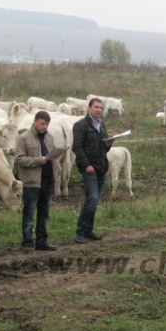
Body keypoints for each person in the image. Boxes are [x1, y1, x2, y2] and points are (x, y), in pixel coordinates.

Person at [14, 110, 58, 251]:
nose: (45, 127)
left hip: (47, 180)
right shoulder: (24, 138)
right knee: (29, 213)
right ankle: (27, 242)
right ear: (35, 121)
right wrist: (37, 161)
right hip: (32, 181)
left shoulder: (49, 138)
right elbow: (19, 159)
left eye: (47, 124)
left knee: (44, 213)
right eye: (42, 123)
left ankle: (42, 241)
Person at [71, 97, 112, 243]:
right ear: (89, 108)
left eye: (101, 108)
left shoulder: (102, 125)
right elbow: (77, 147)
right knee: (92, 198)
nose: (98, 110)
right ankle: (80, 231)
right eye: (96, 107)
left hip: (101, 166)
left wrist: (108, 145)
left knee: (95, 200)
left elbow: (103, 148)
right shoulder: (81, 125)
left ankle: (89, 230)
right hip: (89, 168)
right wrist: (86, 164)